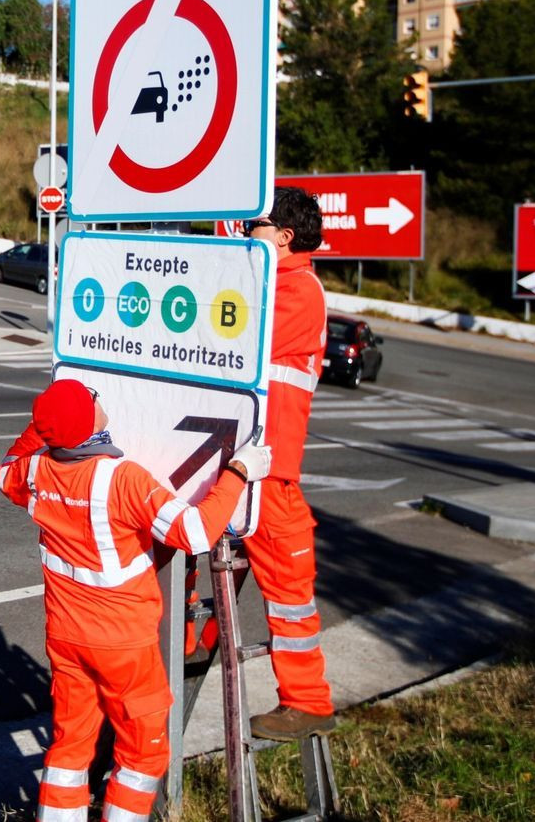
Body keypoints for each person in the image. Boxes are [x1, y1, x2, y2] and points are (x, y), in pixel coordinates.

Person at [0, 379, 270, 822]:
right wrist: (239, 472)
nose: (99, 398)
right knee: (142, 755)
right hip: (123, 643)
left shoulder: (36, 473)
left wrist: (43, 425)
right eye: (91, 399)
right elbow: (196, 531)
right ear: (87, 424)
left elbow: (4, 469)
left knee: (70, 747)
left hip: (65, 637)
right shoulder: (122, 480)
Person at [241, 186, 336, 742]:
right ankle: (187, 648)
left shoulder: (298, 290)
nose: (242, 235)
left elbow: (238, 338)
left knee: (289, 593)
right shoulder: (274, 283)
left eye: (254, 228)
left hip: (271, 470)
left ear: (285, 236)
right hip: (242, 462)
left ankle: (306, 702)